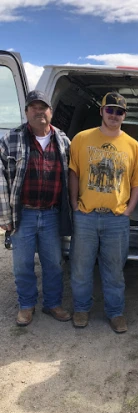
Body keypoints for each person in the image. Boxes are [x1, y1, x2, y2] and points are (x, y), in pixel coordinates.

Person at [69, 92, 138, 332]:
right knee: (80, 268)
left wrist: (129, 211)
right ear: (101, 111)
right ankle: (81, 310)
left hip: (116, 220)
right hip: (85, 216)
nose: (114, 115)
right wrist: (74, 205)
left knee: (114, 270)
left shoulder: (133, 145)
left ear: (124, 116)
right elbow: (73, 173)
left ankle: (115, 313)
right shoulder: (81, 139)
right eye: (110, 109)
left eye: (119, 111)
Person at [0, 90, 73, 326]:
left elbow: (73, 177)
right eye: (34, 107)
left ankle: (53, 304)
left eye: (43, 107)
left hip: (52, 213)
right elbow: (0, 180)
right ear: (26, 111)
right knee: (22, 264)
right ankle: (26, 305)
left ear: (51, 112)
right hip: (24, 214)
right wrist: (4, 215)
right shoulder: (10, 140)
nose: (39, 111)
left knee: (53, 262)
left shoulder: (63, 141)